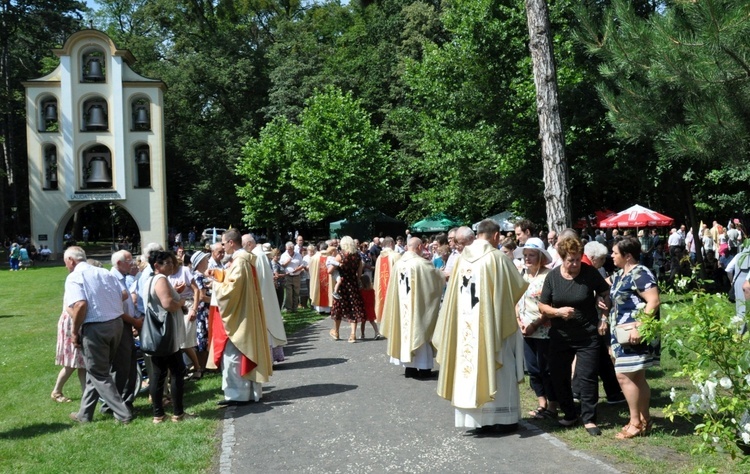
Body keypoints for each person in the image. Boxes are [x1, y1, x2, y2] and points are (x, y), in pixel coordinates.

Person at [433, 219, 528, 433]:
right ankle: (501, 419)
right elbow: (516, 288)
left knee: (467, 366)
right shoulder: (497, 258)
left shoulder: (460, 260)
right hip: (491, 326)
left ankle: (475, 421)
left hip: (465, 323)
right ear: (495, 236)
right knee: (500, 367)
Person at [538, 235, 610, 436]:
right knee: (559, 376)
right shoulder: (552, 277)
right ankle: (570, 414)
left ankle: (589, 419)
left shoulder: (590, 273)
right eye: (571, 260)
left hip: (587, 335)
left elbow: (605, 293)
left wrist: (603, 309)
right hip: (560, 336)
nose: (575, 263)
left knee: (587, 377)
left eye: (578, 259)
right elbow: (542, 305)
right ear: (562, 258)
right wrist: (557, 312)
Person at [63, 246, 132, 424]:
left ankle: (123, 413)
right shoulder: (104, 272)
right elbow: (124, 294)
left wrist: (74, 331)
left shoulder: (75, 277)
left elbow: (80, 305)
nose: (66, 266)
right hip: (116, 324)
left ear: (71, 260)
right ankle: (84, 415)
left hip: (96, 327)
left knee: (98, 373)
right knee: (96, 372)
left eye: (65, 263)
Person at [208, 229, 272, 405]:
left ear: (230, 243)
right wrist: (219, 275)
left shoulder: (240, 261)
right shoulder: (242, 260)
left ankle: (239, 395)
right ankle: (248, 393)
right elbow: (235, 282)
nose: (222, 246)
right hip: (245, 312)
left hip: (240, 317)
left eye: (223, 242)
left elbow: (232, 290)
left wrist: (215, 285)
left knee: (234, 354)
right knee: (237, 353)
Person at [608, 236, 660, 438]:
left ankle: (635, 423)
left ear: (627, 256)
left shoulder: (640, 273)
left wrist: (641, 328)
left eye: (615, 253)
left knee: (624, 376)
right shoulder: (622, 274)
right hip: (622, 333)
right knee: (637, 377)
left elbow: (653, 301)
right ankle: (645, 420)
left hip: (634, 334)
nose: (611, 256)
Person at [380, 237, 444, 378]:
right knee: (419, 330)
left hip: (402, 307)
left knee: (405, 333)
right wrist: (441, 274)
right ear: (420, 246)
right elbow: (433, 282)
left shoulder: (398, 263)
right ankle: (423, 368)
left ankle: (409, 369)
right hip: (416, 308)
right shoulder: (422, 264)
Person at [141, 251, 191, 423]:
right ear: (157, 265)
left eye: (172, 262)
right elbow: (167, 304)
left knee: (158, 374)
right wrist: (181, 303)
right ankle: (178, 413)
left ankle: (158, 415)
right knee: (177, 371)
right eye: (167, 263)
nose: (171, 265)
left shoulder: (149, 280)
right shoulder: (160, 279)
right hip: (166, 334)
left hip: (156, 334)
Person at [513, 238, 557, 419]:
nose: (527, 259)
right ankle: (542, 402)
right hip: (525, 330)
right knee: (532, 368)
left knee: (547, 369)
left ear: (541, 257)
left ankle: (553, 405)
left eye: (531, 255)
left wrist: (535, 324)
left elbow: (551, 304)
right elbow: (516, 300)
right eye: (525, 255)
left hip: (544, 329)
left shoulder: (549, 276)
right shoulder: (521, 275)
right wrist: (519, 321)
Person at [244, 234, 288, 364]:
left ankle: (267, 359)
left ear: (249, 244)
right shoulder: (260, 254)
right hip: (266, 293)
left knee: (265, 326)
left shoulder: (256, 256)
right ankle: (271, 357)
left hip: (261, 295)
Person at [106, 250, 140, 412]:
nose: (132, 263)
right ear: (119, 263)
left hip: (127, 324)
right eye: (128, 261)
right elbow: (117, 309)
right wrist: (134, 322)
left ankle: (126, 401)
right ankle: (114, 404)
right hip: (121, 325)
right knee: (122, 367)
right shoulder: (112, 279)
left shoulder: (123, 278)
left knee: (130, 366)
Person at [329, 236, 366, 343]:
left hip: (342, 284)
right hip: (353, 284)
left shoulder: (340, 256)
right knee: (353, 308)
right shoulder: (358, 257)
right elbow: (359, 274)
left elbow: (330, 270)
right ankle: (353, 334)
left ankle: (336, 332)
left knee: (338, 307)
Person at [51, 303, 87, 403]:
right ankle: (56, 391)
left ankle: (86, 393)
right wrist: (83, 319)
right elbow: (69, 308)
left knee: (83, 363)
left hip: (80, 323)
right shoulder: (73, 287)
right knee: (72, 363)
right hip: (73, 324)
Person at [190, 250, 211, 372]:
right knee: (202, 337)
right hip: (203, 311)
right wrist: (217, 299)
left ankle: (204, 366)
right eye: (205, 260)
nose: (208, 261)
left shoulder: (200, 276)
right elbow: (202, 296)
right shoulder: (199, 276)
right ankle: (203, 366)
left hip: (203, 310)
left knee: (203, 337)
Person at [374, 237, 401, 322]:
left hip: (382, 286)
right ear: (391, 244)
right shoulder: (396, 256)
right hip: (393, 287)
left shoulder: (379, 257)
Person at [279, 242, 304, 312]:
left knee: (296, 292)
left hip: (296, 276)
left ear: (293, 249)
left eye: (290, 249)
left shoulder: (298, 255)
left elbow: (302, 264)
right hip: (288, 276)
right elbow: (281, 266)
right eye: (287, 249)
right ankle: (288, 308)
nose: (288, 251)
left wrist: (297, 269)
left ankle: (295, 307)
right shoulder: (284, 255)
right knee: (289, 293)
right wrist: (287, 262)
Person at [308, 242, 333, 314]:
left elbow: (311, 270)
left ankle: (320, 310)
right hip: (328, 280)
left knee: (318, 291)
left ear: (319, 248)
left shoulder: (314, 258)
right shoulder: (330, 257)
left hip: (318, 280)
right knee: (328, 290)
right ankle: (328, 310)